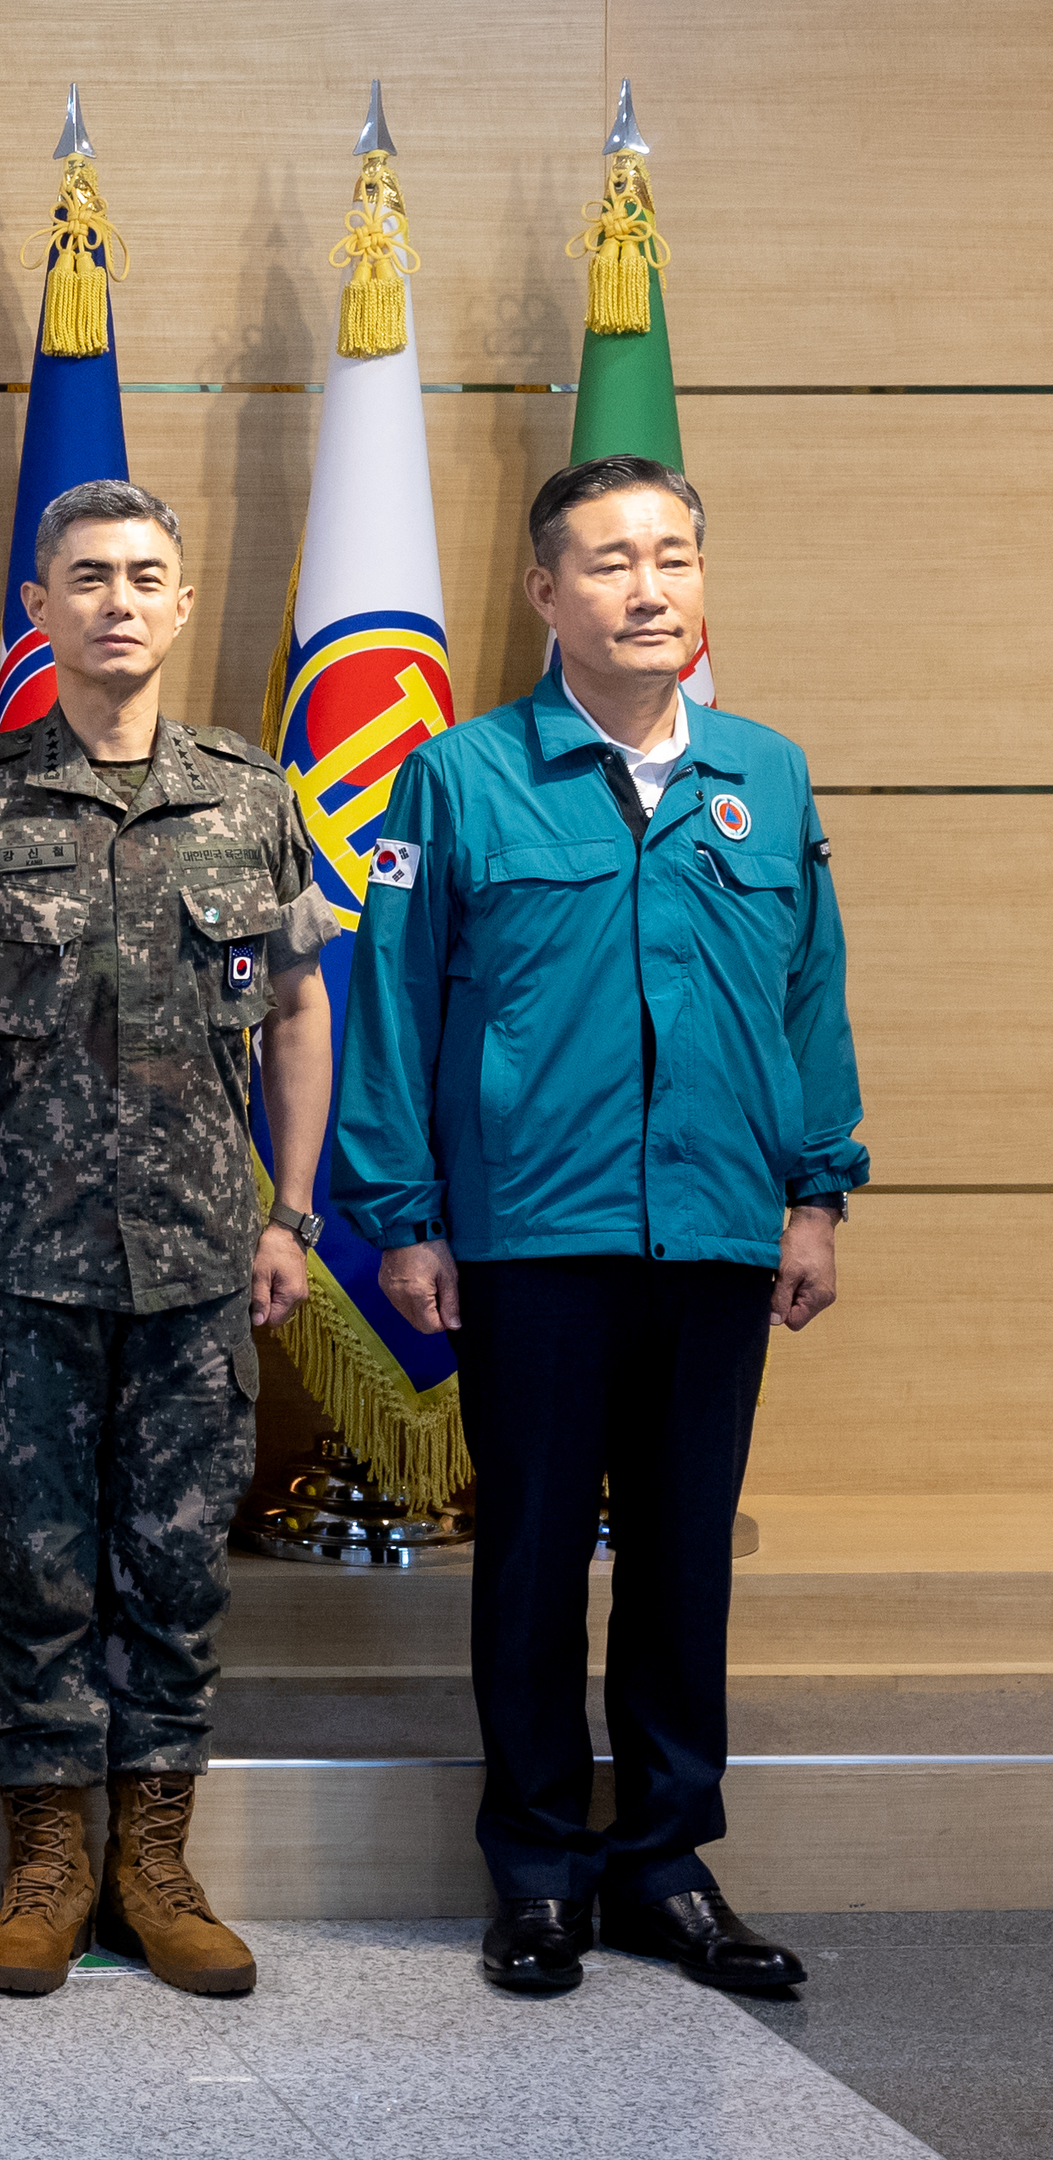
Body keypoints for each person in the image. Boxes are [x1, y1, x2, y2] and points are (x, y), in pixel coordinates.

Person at [333, 454, 862, 2000]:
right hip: (529, 1236)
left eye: (676, 558)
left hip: (714, 1231)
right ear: (543, 592)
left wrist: (814, 1192)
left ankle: (666, 1864)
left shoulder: (765, 775)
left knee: (687, 1555)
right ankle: (541, 1866)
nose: (650, 588)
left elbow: (808, 996)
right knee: (538, 1554)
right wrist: (405, 1219)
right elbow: (395, 1015)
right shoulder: (463, 780)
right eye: (613, 562)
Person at [0, 480, 338, 1998]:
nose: (118, 602)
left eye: (147, 575)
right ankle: (46, 1858)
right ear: (41, 608)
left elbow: (300, 1011)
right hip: (21, 1264)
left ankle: (154, 1854)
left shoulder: (255, 800)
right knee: (38, 1562)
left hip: (207, 1257)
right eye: (87, 578)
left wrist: (293, 1210)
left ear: (186, 602)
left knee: (179, 1561)